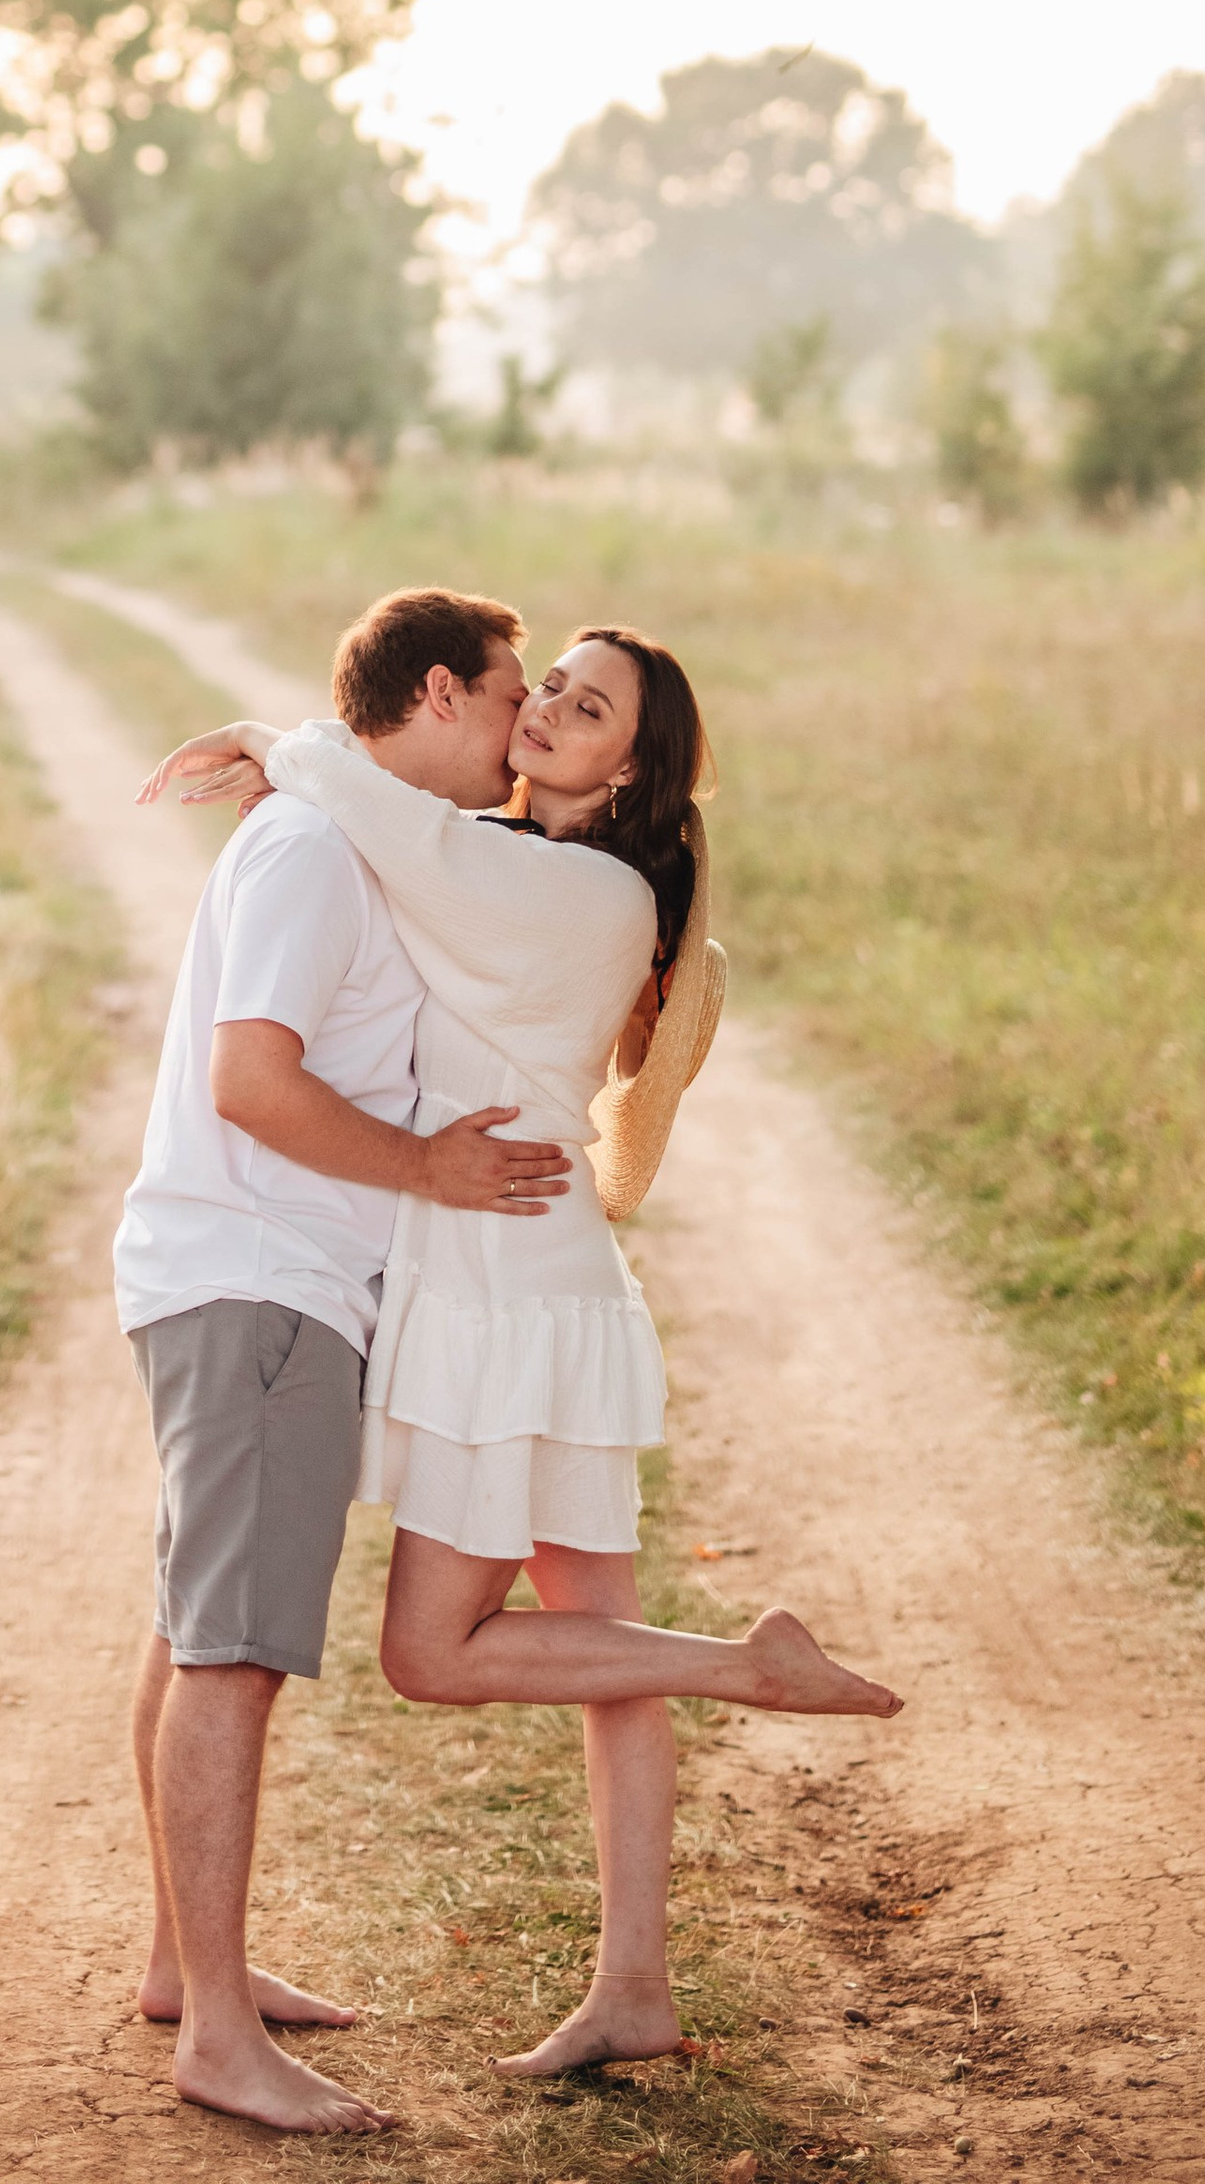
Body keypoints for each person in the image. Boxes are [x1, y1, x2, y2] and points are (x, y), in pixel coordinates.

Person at [142, 619, 902, 2082]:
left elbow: (385, 819)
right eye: (544, 680)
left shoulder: (587, 893)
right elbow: (393, 827)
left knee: (431, 1654)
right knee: (598, 1650)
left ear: (629, 775)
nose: (546, 705)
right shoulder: (512, 867)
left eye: (586, 703)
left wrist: (273, 743)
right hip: (524, 1282)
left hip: (506, 1294)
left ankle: (744, 1667)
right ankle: (634, 1987)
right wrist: (294, 773)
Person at [112, 586, 574, 2136]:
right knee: (233, 1653)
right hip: (261, 1281)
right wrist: (422, 1168)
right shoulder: (315, 853)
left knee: (193, 1635)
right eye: (515, 695)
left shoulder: (341, 832)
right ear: (440, 694)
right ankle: (221, 2041)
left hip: (247, 1279)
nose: (525, 732)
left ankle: (192, 1973)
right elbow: (254, 1078)